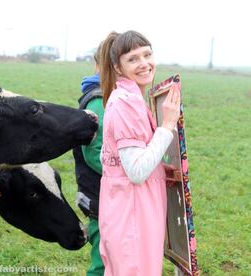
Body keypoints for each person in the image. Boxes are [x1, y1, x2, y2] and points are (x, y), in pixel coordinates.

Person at [98, 30, 181, 276]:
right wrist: (166, 126)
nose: (144, 63)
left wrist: (160, 168)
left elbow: (128, 163)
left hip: (129, 214)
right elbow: (135, 171)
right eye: (133, 59)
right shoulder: (126, 103)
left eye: (147, 54)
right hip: (132, 218)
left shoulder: (129, 98)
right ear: (118, 68)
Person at [74, 38, 112, 276]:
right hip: (100, 196)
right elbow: (94, 154)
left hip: (104, 194)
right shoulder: (99, 100)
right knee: (102, 263)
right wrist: (131, 170)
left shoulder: (106, 95)